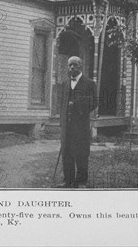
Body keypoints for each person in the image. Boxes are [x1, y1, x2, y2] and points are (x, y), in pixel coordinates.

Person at [55, 56, 97, 188]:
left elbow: (94, 103)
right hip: (67, 127)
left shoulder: (89, 83)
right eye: (70, 65)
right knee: (67, 153)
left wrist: (78, 106)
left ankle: (81, 182)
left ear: (81, 66)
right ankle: (68, 181)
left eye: (75, 65)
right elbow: (61, 104)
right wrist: (62, 122)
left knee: (81, 153)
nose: (72, 67)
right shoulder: (65, 84)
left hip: (80, 126)